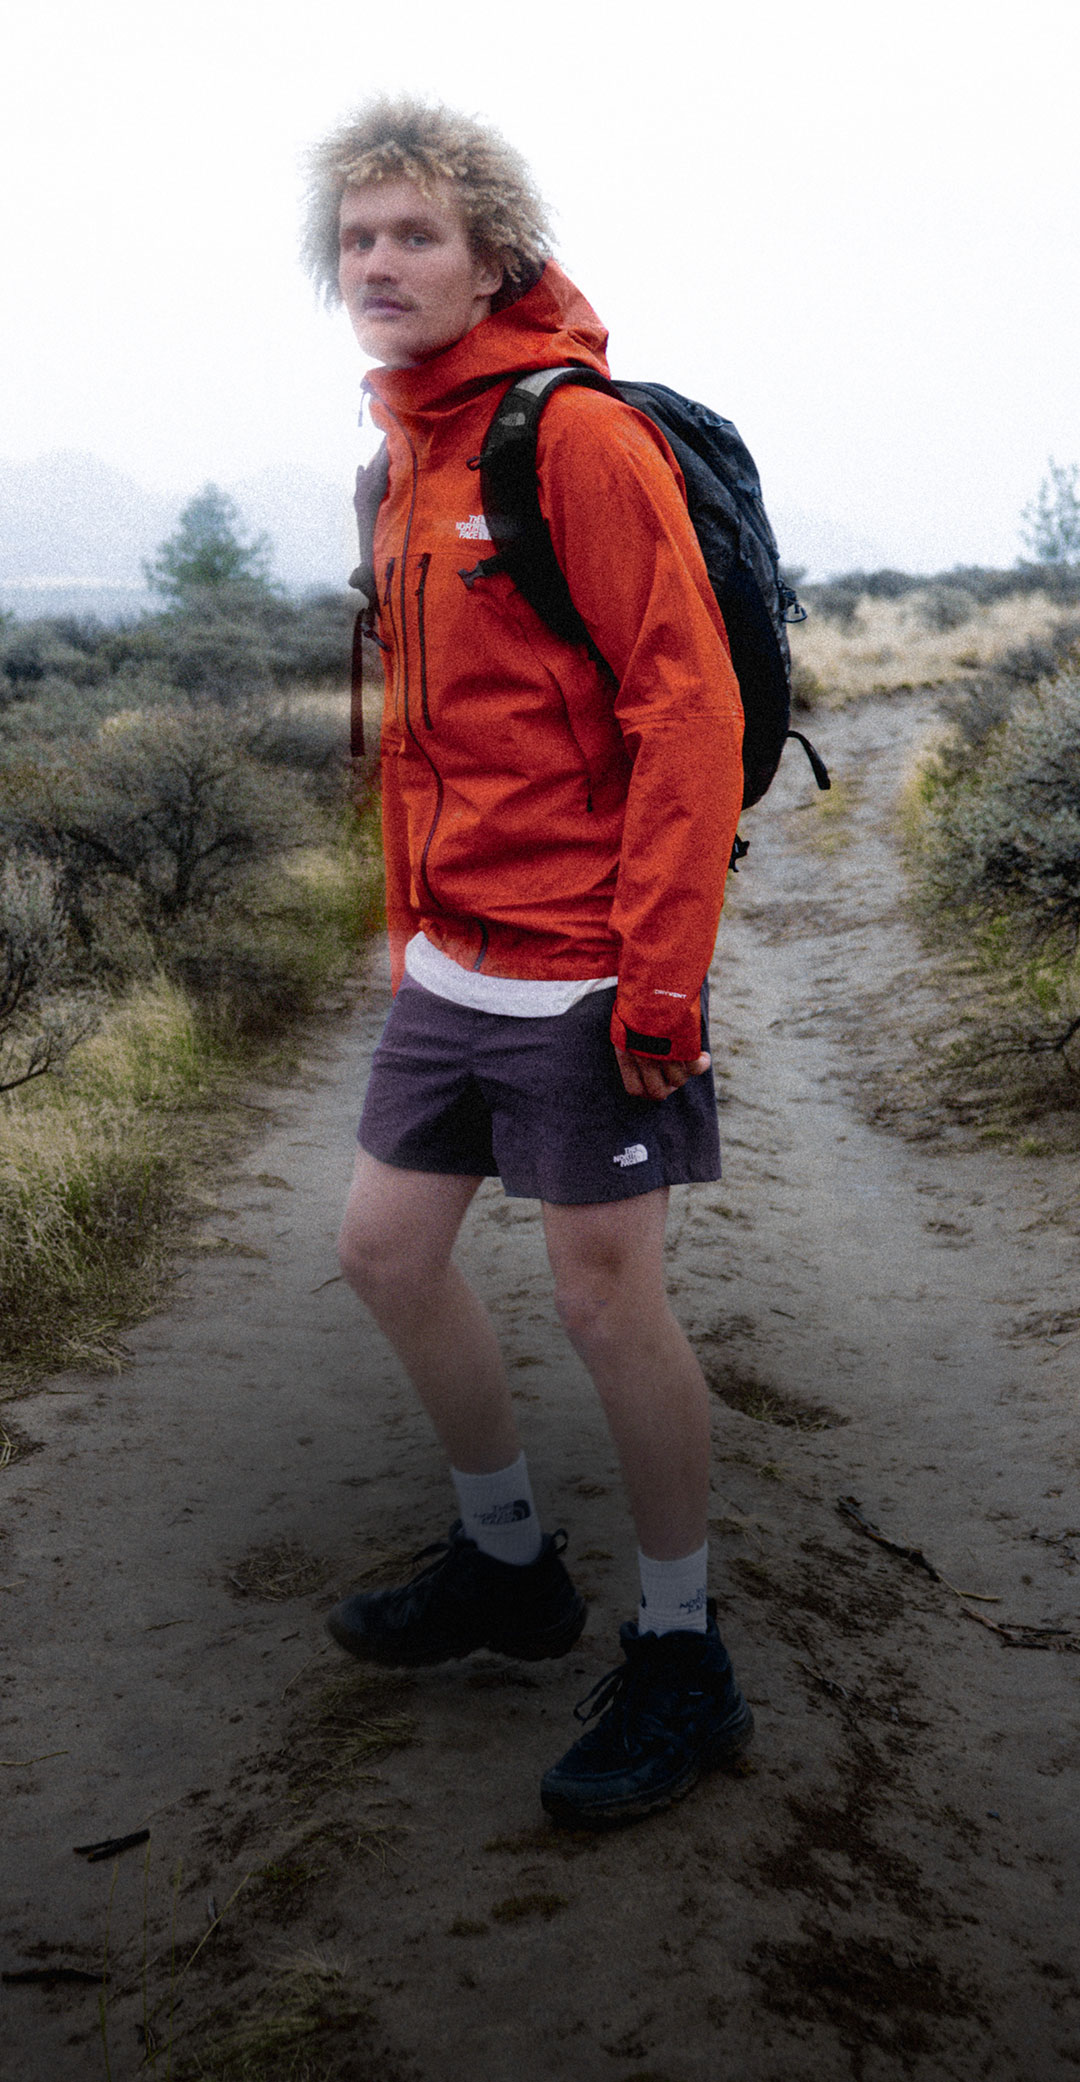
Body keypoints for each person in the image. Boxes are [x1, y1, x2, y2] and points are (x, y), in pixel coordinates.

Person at [302, 98, 753, 1828]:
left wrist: (661, 977)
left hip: (588, 965)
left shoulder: (569, 439)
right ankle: (508, 1559)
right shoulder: (407, 454)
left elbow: (686, 706)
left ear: (492, 251)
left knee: (599, 1299)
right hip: (456, 959)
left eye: (415, 233)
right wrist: (405, 924)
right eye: (356, 240)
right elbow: (428, 732)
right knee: (383, 1248)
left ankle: (682, 1642)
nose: (380, 265)